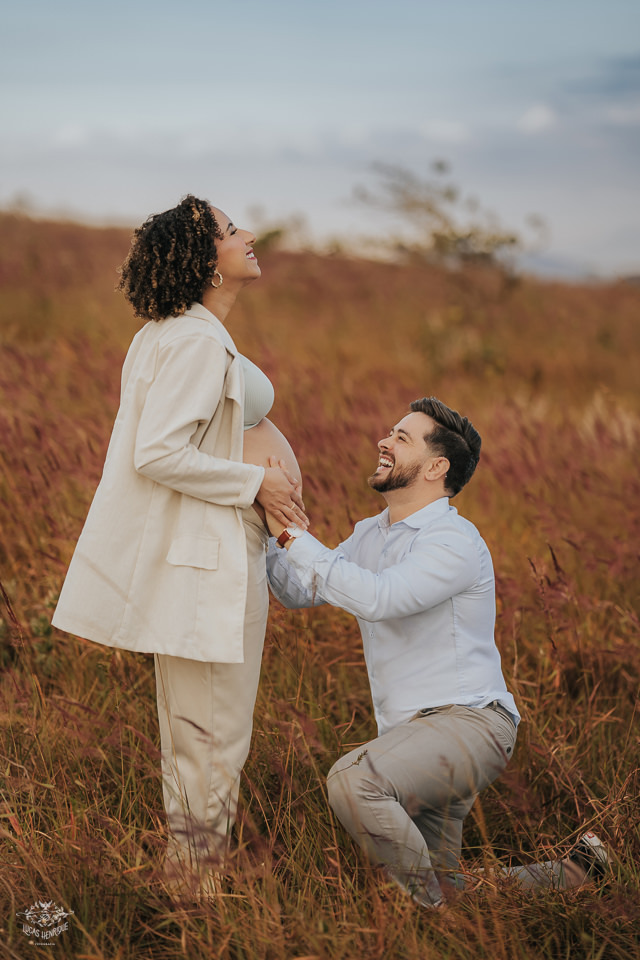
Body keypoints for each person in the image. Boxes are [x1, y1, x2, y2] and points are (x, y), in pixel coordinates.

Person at [52, 194, 307, 897]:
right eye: (230, 231)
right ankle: (196, 898)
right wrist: (258, 480)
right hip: (207, 565)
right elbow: (157, 453)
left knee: (197, 741)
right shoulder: (193, 340)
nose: (248, 235)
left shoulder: (176, 331)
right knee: (213, 743)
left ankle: (188, 883)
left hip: (211, 556)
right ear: (205, 262)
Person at [265, 396, 610, 908]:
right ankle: (574, 874)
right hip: (412, 735)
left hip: (471, 724)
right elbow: (296, 591)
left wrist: (291, 534)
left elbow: (380, 599)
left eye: (401, 437)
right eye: (389, 432)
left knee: (352, 782)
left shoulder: (454, 541)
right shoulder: (370, 534)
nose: (383, 441)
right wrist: (265, 524)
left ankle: (435, 924)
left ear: (436, 467)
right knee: (445, 885)